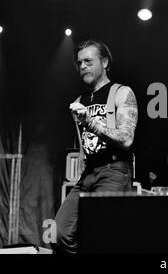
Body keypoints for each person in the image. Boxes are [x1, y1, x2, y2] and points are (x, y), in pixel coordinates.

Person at [52, 39, 138, 254]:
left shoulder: (121, 92)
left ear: (105, 62)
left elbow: (126, 139)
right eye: (79, 63)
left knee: (103, 235)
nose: (82, 67)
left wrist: (90, 121)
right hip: (88, 175)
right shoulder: (80, 99)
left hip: (114, 171)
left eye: (88, 61)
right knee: (58, 233)